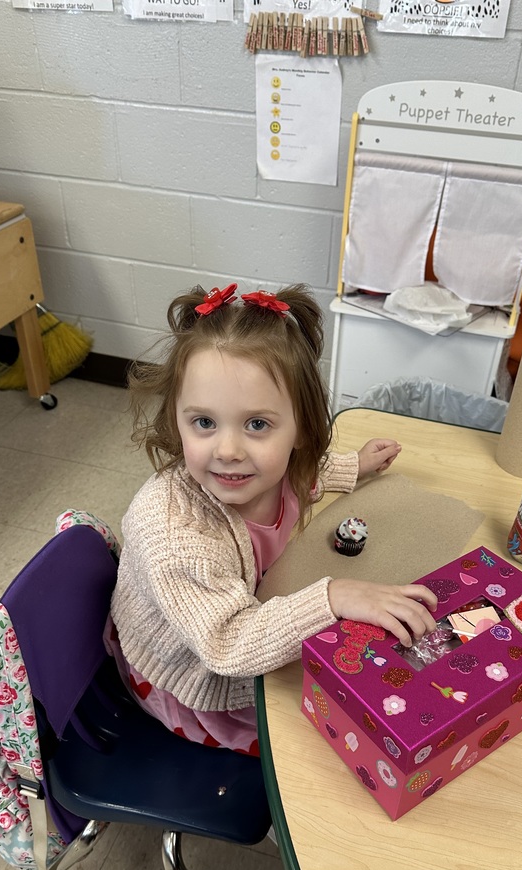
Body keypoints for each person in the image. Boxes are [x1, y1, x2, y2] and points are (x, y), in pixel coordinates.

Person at [106, 282, 438, 755]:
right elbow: (228, 647)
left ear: (301, 428)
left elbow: (305, 476)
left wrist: (354, 466)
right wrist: (333, 596)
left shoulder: (275, 471)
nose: (228, 450)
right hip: (192, 682)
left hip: (244, 617)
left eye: (257, 424)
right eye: (204, 422)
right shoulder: (175, 537)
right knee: (318, 746)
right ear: (176, 419)